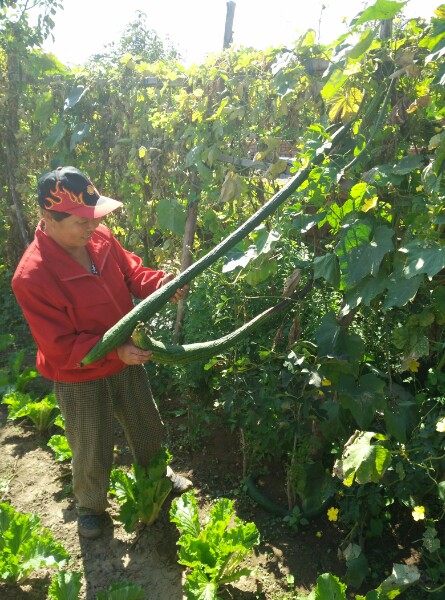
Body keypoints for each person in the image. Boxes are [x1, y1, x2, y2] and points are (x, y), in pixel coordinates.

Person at [11, 166, 192, 540]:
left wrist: (160, 284)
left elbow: (132, 273)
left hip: (125, 355)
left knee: (146, 422)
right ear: (48, 219)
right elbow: (60, 347)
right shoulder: (32, 277)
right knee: (91, 443)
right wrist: (115, 353)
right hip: (79, 372)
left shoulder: (101, 238)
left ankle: (157, 474)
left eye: (94, 218)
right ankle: (90, 507)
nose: (91, 228)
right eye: (80, 222)